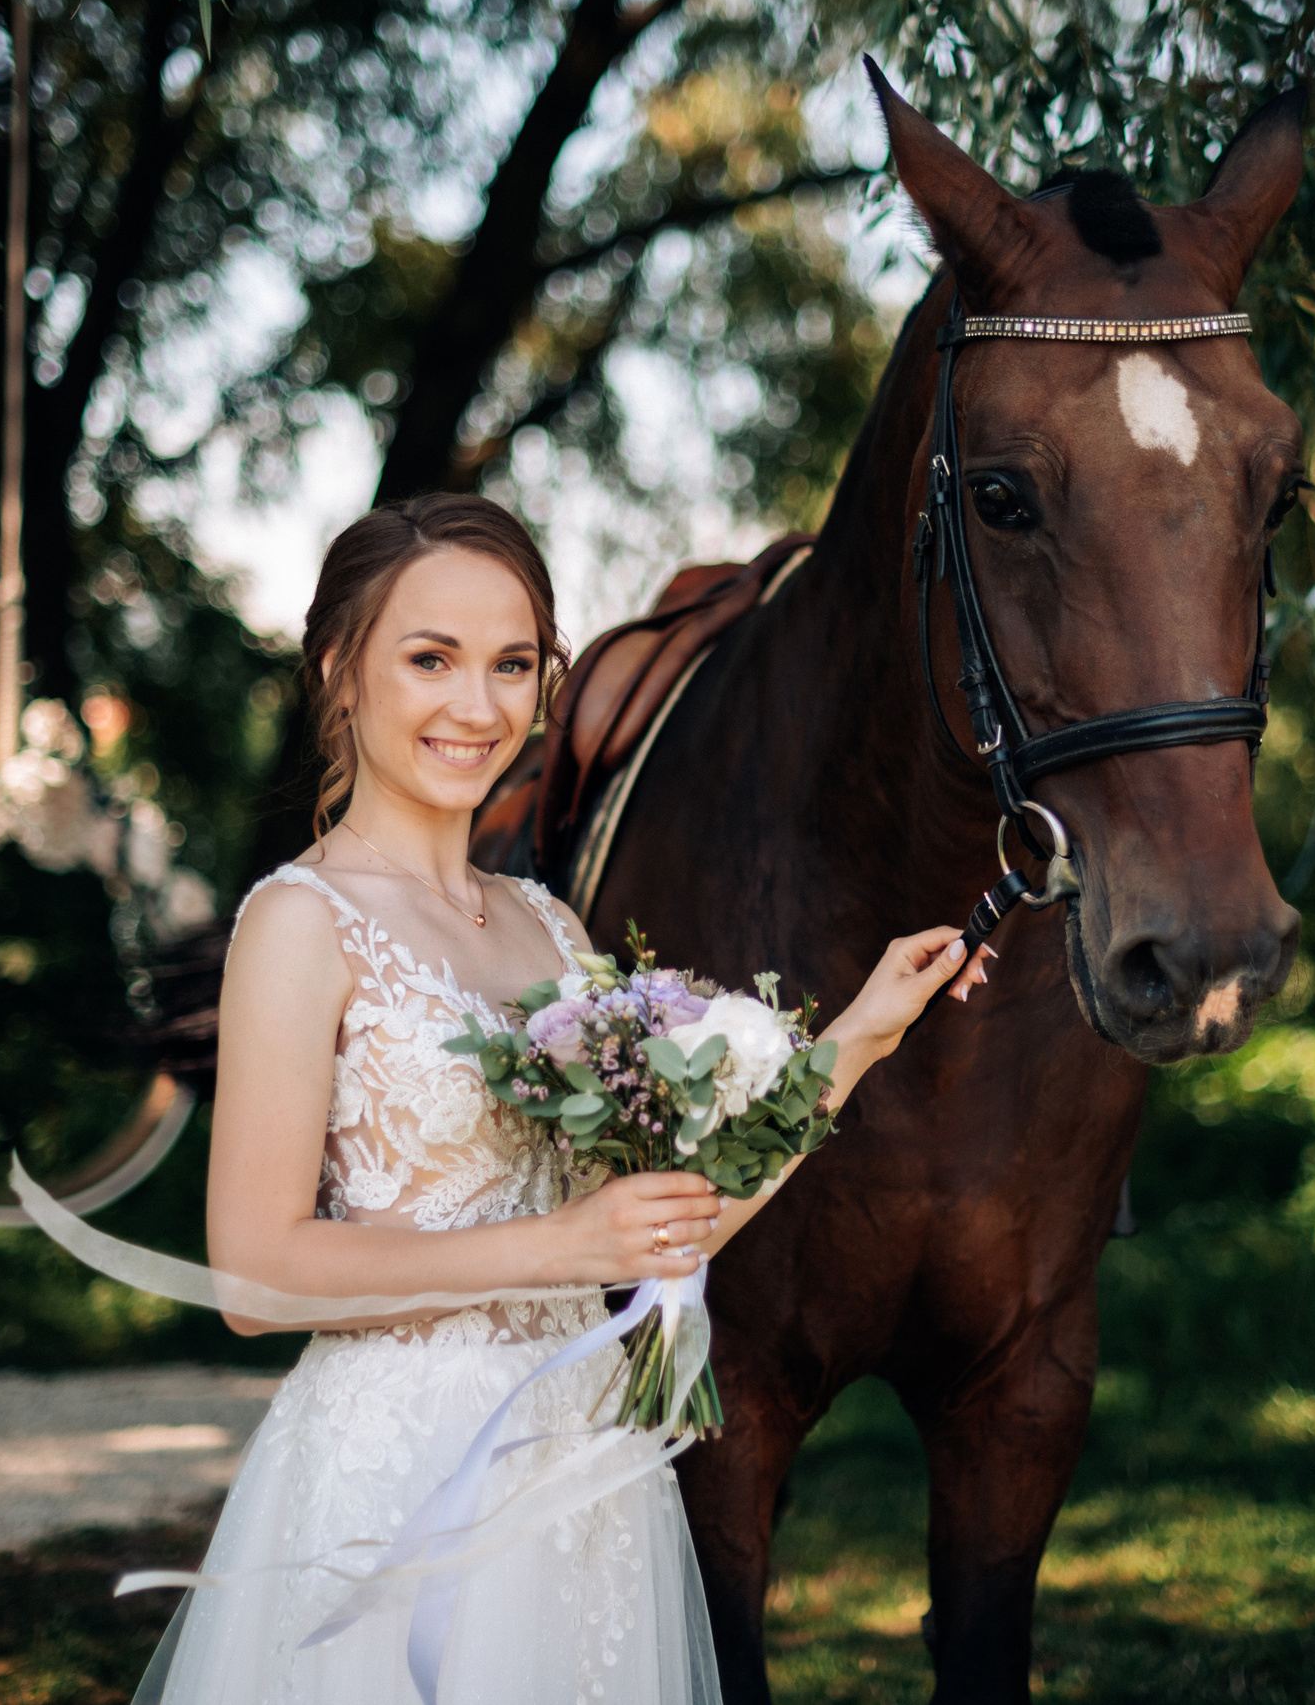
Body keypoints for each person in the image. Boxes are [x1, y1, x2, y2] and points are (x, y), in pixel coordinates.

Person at [135, 493, 987, 1704]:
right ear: (340, 669)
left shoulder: (546, 924)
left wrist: (858, 1035)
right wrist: (562, 1243)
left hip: (587, 1478)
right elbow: (253, 1275)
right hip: (400, 1479)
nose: (476, 706)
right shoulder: (297, 920)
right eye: (430, 659)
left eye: (512, 664)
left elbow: (658, 1233)